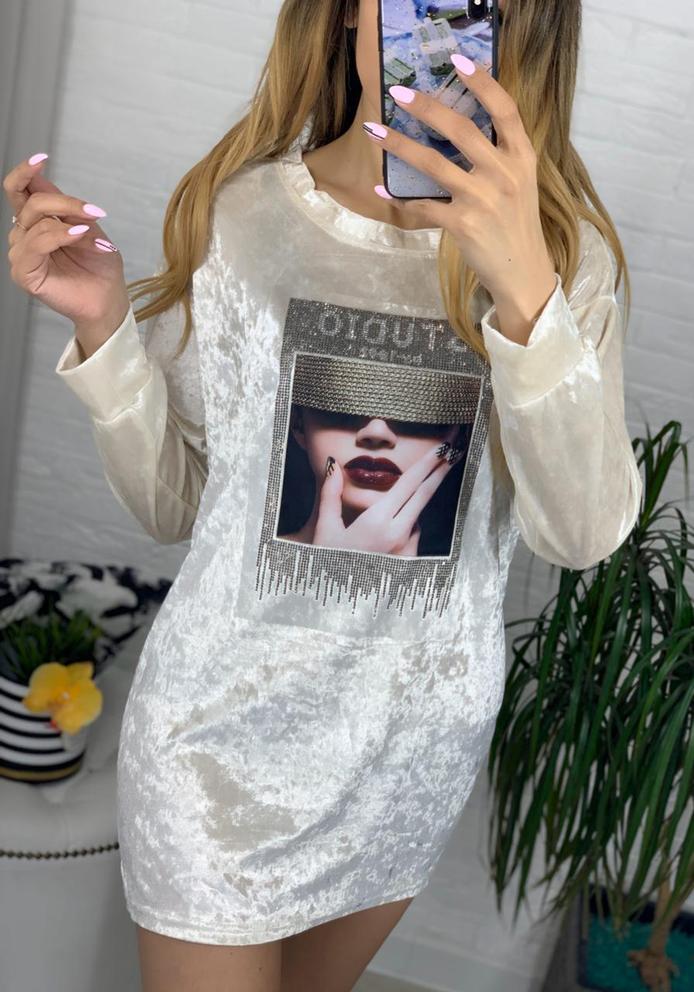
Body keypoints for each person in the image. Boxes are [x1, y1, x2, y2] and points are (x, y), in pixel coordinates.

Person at [3, 1, 643, 989]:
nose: (441, 30)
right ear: (349, 11)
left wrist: (526, 295)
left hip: (405, 754)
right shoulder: (244, 213)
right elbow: (179, 505)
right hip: (215, 743)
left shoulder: (565, 257)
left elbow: (579, 534)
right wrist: (101, 328)